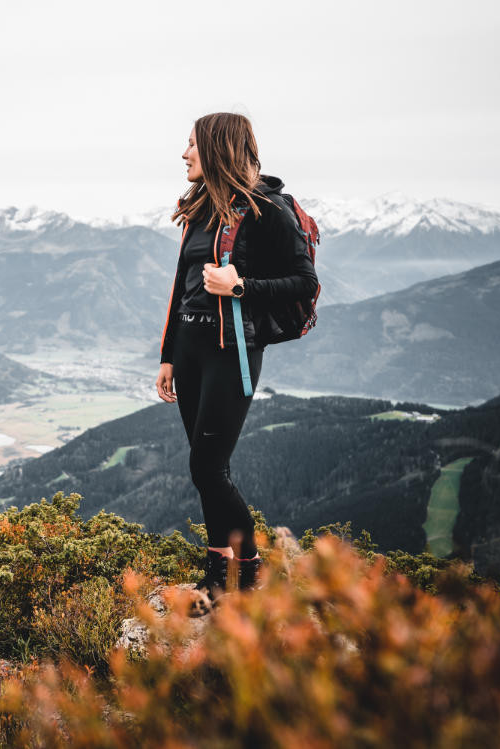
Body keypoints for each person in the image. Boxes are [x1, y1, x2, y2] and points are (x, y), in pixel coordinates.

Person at [155, 113, 318, 614]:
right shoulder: (200, 209)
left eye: (191, 146)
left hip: (233, 354)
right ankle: (217, 573)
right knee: (206, 470)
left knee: (207, 465)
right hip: (189, 352)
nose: (183, 155)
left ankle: (247, 568)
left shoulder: (268, 210)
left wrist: (240, 286)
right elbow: (181, 289)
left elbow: (304, 283)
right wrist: (166, 357)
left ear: (216, 148)